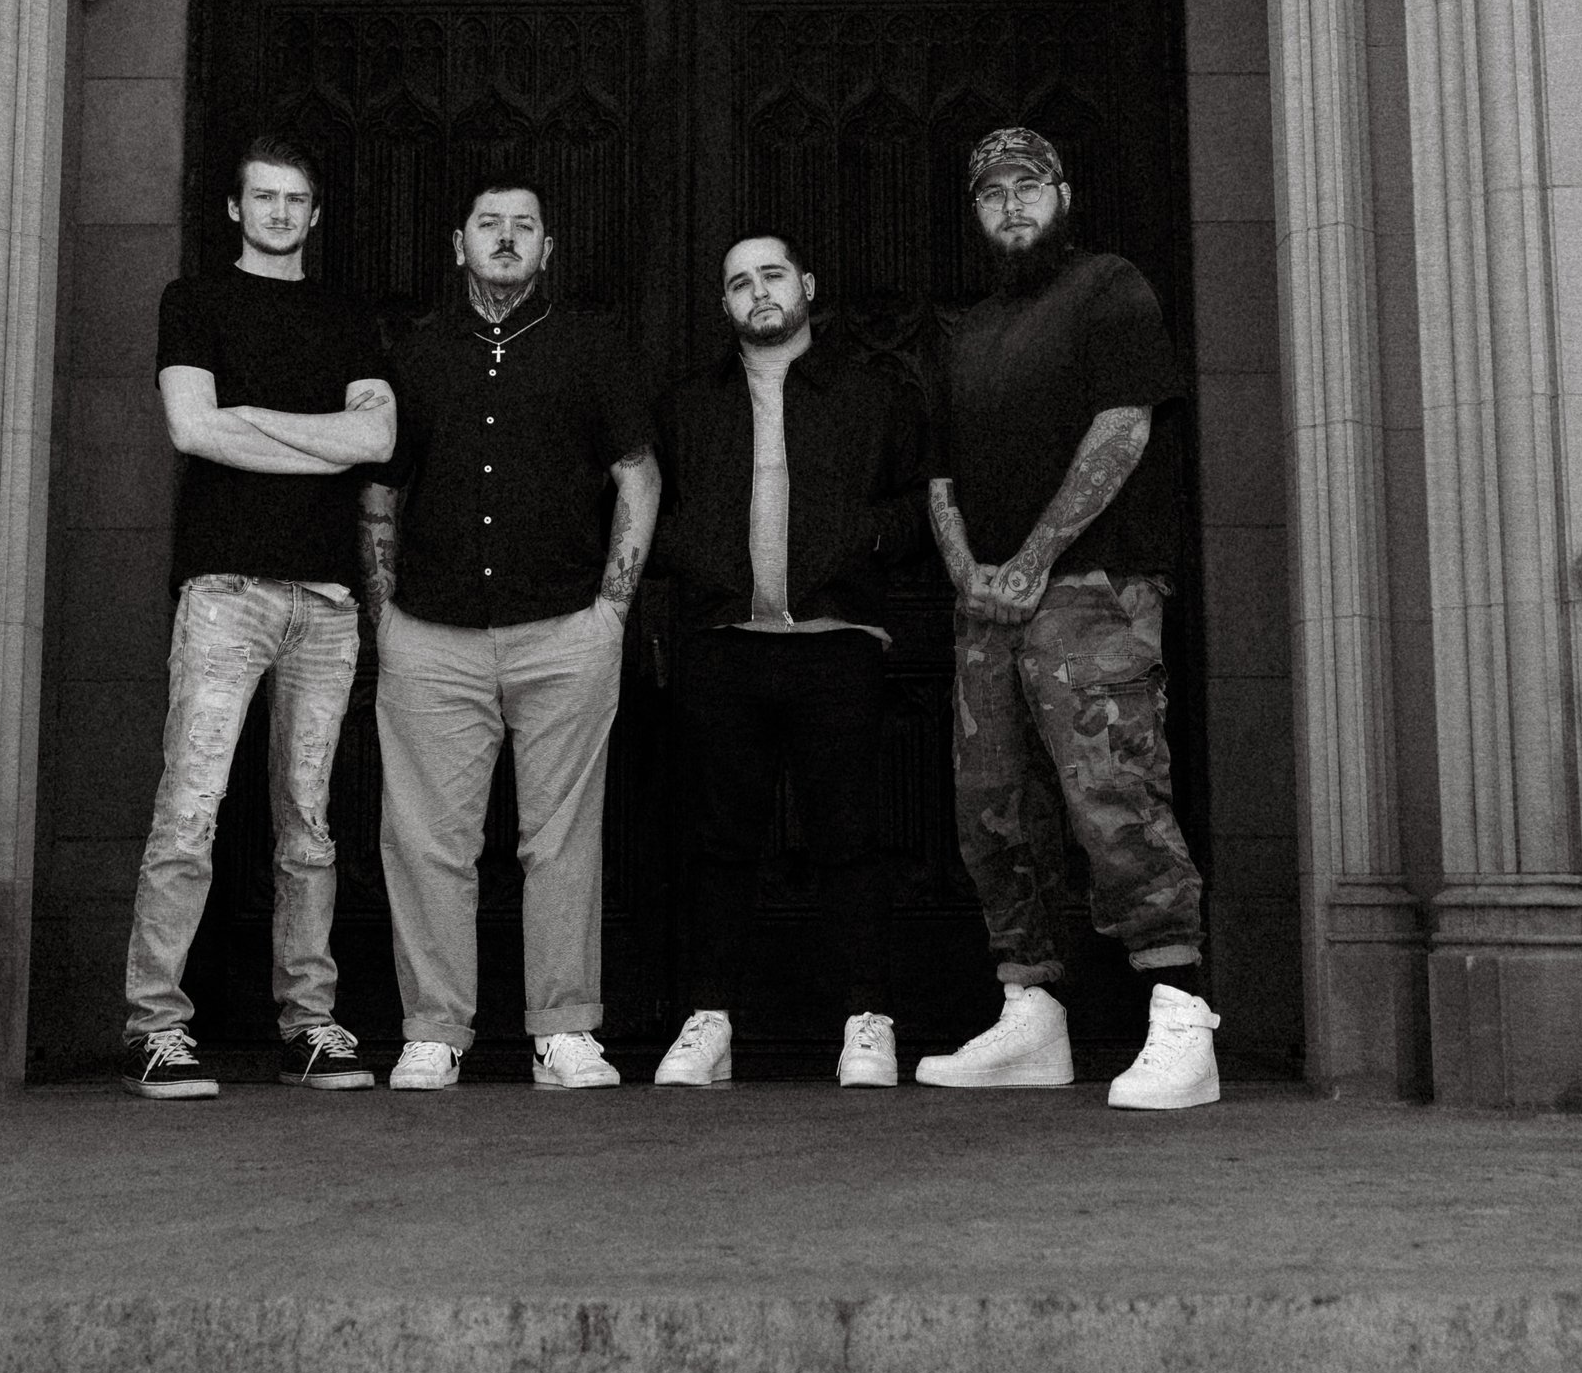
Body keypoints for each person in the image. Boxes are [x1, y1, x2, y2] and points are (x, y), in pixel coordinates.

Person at [915, 126, 1221, 1109]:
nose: (1010, 204)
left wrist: (1034, 558)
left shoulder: (1108, 288)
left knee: (1115, 794)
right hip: (988, 607)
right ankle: (1031, 1014)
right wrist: (970, 573)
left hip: (1093, 588)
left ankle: (1181, 1015)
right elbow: (938, 473)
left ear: (1063, 193)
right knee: (992, 810)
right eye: (991, 192)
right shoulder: (967, 330)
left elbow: (1123, 427)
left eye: (1028, 185)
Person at [359, 181, 661, 1091]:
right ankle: (433, 1030)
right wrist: (384, 612)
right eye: (488, 225)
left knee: (561, 842)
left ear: (546, 248)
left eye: (522, 226)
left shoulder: (592, 347)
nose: (504, 238)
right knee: (426, 842)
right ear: (458, 244)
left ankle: (564, 1030)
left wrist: (612, 610)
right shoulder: (415, 355)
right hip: (430, 633)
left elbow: (638, 475)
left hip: (565, 629)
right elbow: (380, 489)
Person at [123, 138, 396, 1100]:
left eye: (296, 199)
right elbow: (191, 427)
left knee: (310, 825)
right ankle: (155, 1025)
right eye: (265, 198)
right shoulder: (194, 301)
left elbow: (378, 437)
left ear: (315, 215)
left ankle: (309, 1024)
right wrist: (322, 442)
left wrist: (254, 418)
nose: (281, 212)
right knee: (189, 811)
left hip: (326, 599)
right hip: (225, 591)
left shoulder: (346, 316)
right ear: (236, 210)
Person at [648, 233, 928, 1090]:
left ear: (806, 282)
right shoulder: (688, 403)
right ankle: (709, 1020)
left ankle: (867, 1021)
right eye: (739, 283)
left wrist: (860, 538)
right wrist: (698, 562)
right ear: (724, 304)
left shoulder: (872, 391)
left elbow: (920, 504)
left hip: (838, 643)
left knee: (851, 840)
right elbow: (649, 507)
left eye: (772, 275)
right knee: (717, 844)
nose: (758, 292)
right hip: (724, 646)